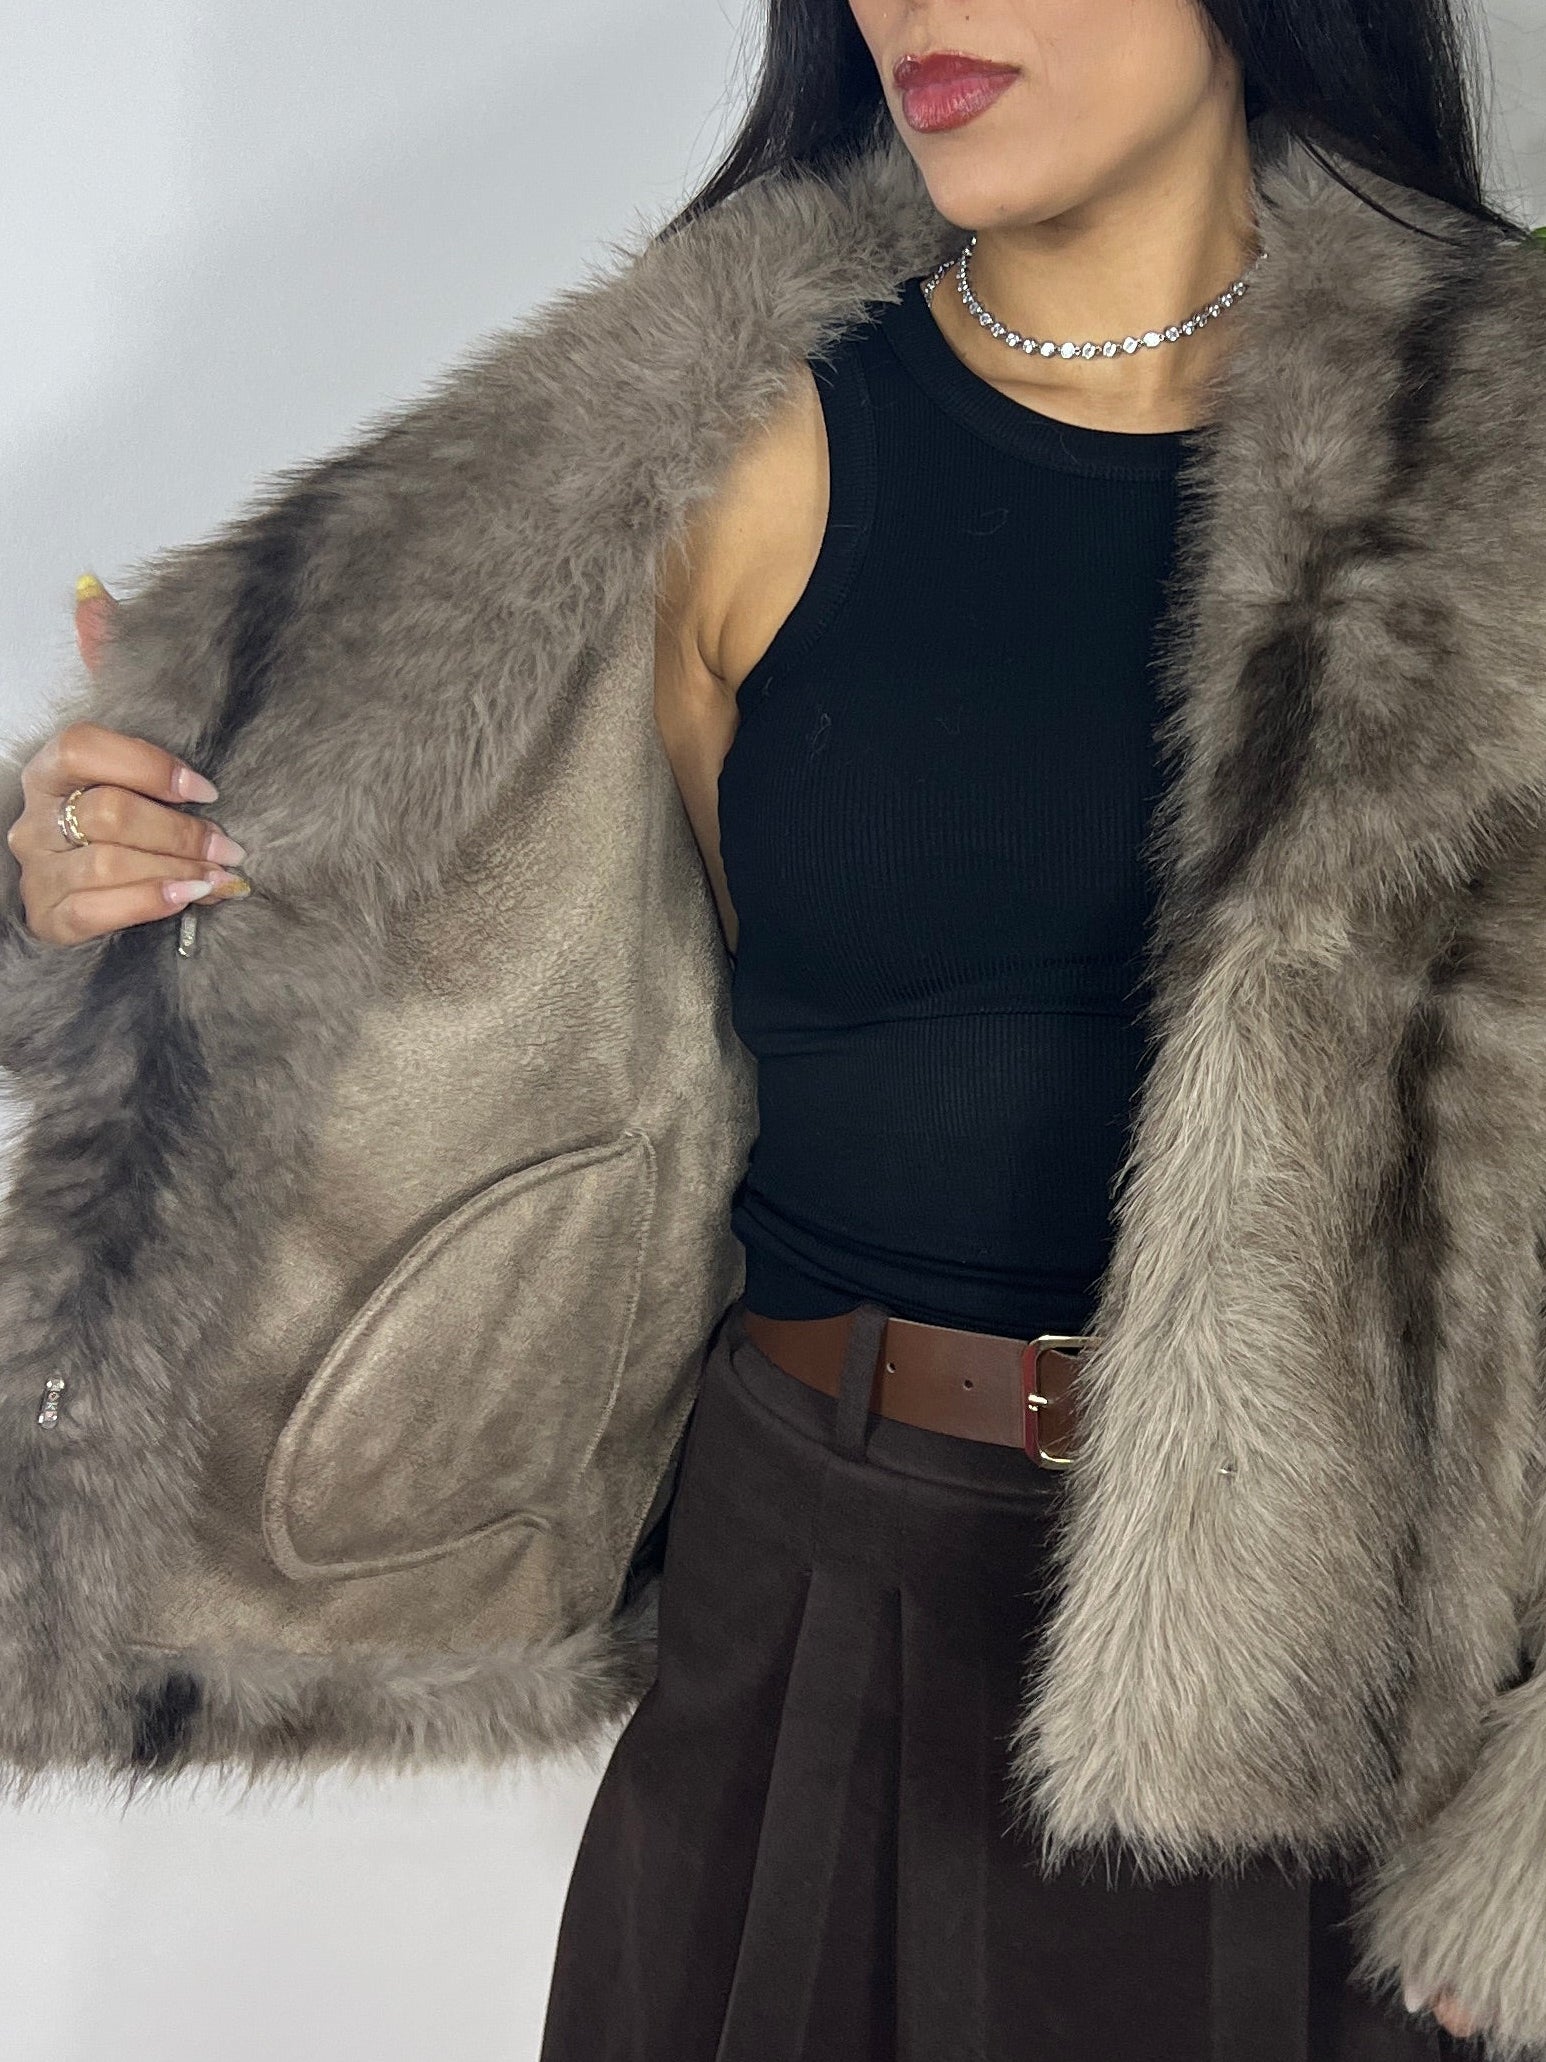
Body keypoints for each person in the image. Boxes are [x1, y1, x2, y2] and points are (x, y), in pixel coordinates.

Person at [6, 0, 1546, 2055]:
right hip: (813, 1590)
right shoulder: (733, 445)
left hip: (1347, 1680)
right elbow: (494, 1021)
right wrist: (111, 879)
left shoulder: (1508, 450)